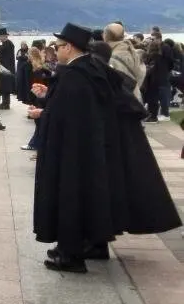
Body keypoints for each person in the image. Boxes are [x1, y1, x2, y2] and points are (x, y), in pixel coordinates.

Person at [35, 23, 181, 273]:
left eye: (58, 47)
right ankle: (95, 244)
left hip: (76, 149)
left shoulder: (74, 76)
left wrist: (41, 113)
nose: (56, 51)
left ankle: (71, 255)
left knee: (72, 196)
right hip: (99, 146)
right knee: (95, 196)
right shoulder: (94, 68)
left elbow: (67, 116)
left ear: (69, 48)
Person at [0, 28, 15, 110]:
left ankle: (6, 104)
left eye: (0, 37)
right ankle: (4, 104)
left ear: (4, 36)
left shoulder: (7, 44)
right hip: (6, 69)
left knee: (5, 87)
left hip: (6, 69)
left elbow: (1, 56)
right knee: (4, 87)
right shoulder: (7, 44)